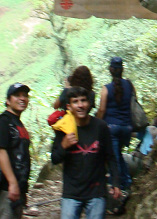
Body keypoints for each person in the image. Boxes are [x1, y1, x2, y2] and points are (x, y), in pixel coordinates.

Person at [51, 86, 122, 219]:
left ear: (89, 103)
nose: (80, 105)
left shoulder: (100, 127)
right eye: (75, 102)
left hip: (96, 192)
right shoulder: (64, 129)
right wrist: (63, 145)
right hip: (71, 193)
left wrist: (116, 183)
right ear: (69, 106)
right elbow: (55, 158)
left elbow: (110, 156)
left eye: (83, 101)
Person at [95, 57, 137, 192]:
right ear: (122, 69)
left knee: (114, 159)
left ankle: (120, 187)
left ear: (110, 70)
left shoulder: (106, 89)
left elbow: (101, 110)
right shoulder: (129, 85)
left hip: (111, 128)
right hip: (127, 128)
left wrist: (97, 124)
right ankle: (127, 182)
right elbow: (134, 103)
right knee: (118, 154)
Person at [0, 83, 32, 219]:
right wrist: (12, 183)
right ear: (8, 101)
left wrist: (21, 188)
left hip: (16, 188)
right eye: (17, 95)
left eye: (25, 96)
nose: (22, 99)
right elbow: (0, 152)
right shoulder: (3, 122)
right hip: (5, 188)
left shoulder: (17, 122)